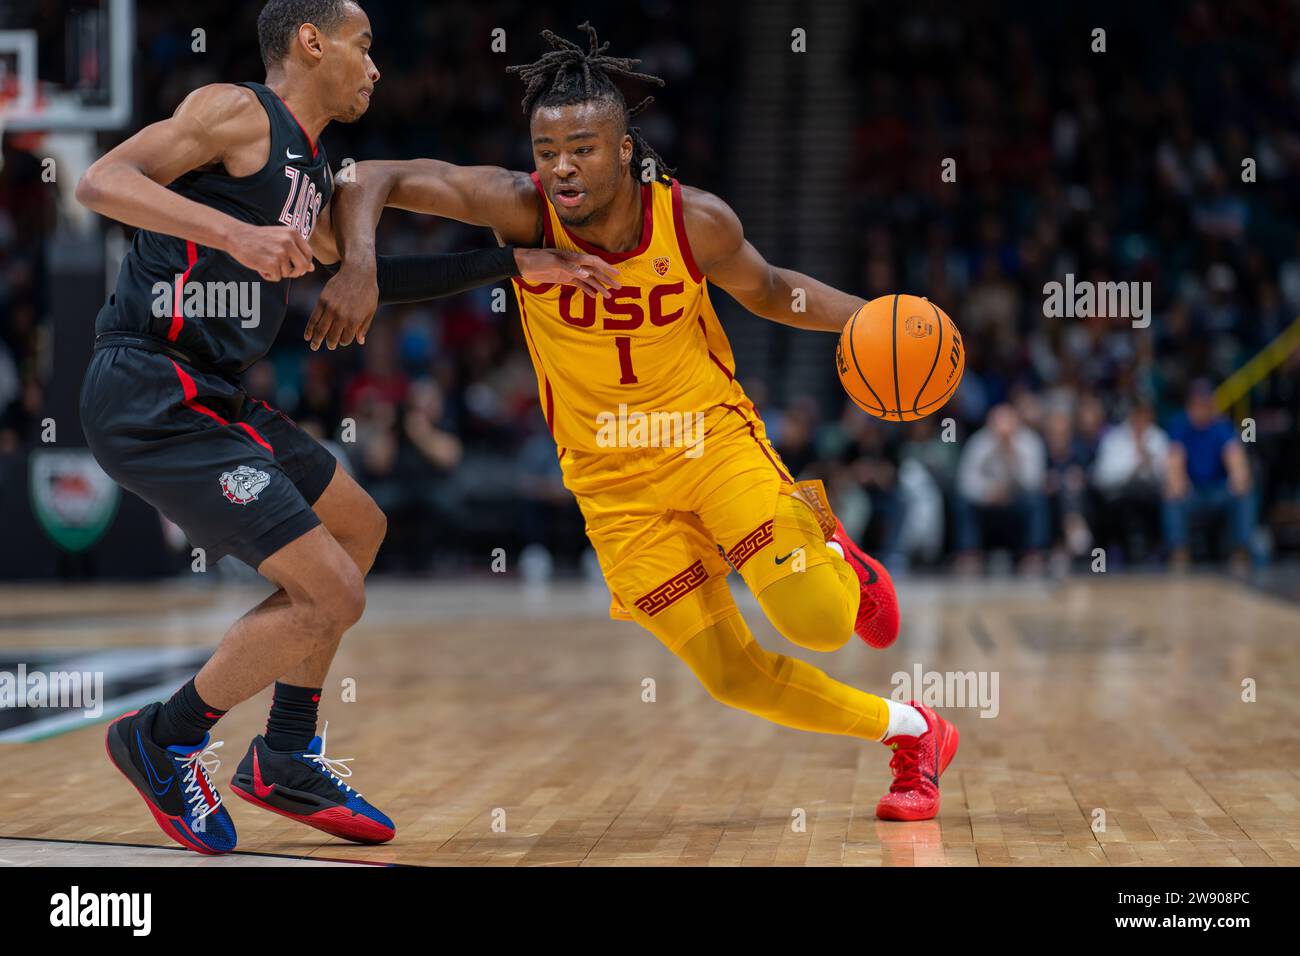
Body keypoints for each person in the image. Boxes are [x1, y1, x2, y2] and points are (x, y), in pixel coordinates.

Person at [311, 23, 958, 821]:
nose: (561, 168)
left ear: (624, 150)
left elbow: (770, 290)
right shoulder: (518, 209)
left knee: (819, 623)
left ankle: (831, 548)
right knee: (731, 676)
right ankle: (916, 734)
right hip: (609, 483)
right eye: (546, 150)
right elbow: (372, 173)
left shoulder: (693, 220)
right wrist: (362, 264)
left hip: (708, 441)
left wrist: (878, 319)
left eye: (581, 148)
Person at [76, 0, 614, 854]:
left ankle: (284, 754)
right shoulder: (235, 109)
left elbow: (370, 281)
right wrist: (238, 236)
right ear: (311, 41)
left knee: (361, 527)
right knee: (333, 592)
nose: (374, 67)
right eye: (364, 47)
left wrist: (518, 263)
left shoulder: (310, 164)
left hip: (212, 390)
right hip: (147, 386)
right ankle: (162, 737)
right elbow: (101, 180)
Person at [1162, 379, 1254, 570]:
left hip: (1218, 491)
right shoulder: (1180, 425)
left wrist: (1239, 478)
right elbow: (1175, 459)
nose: (1200, 408)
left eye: (1204, 403)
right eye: (1196, 403)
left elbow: (1235, 457)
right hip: (1192, 492)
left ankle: (1240, 550)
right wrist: (1176, 481)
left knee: (1244, 492)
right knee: (1171, 495)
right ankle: (1179, 552)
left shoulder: (1222, 427)